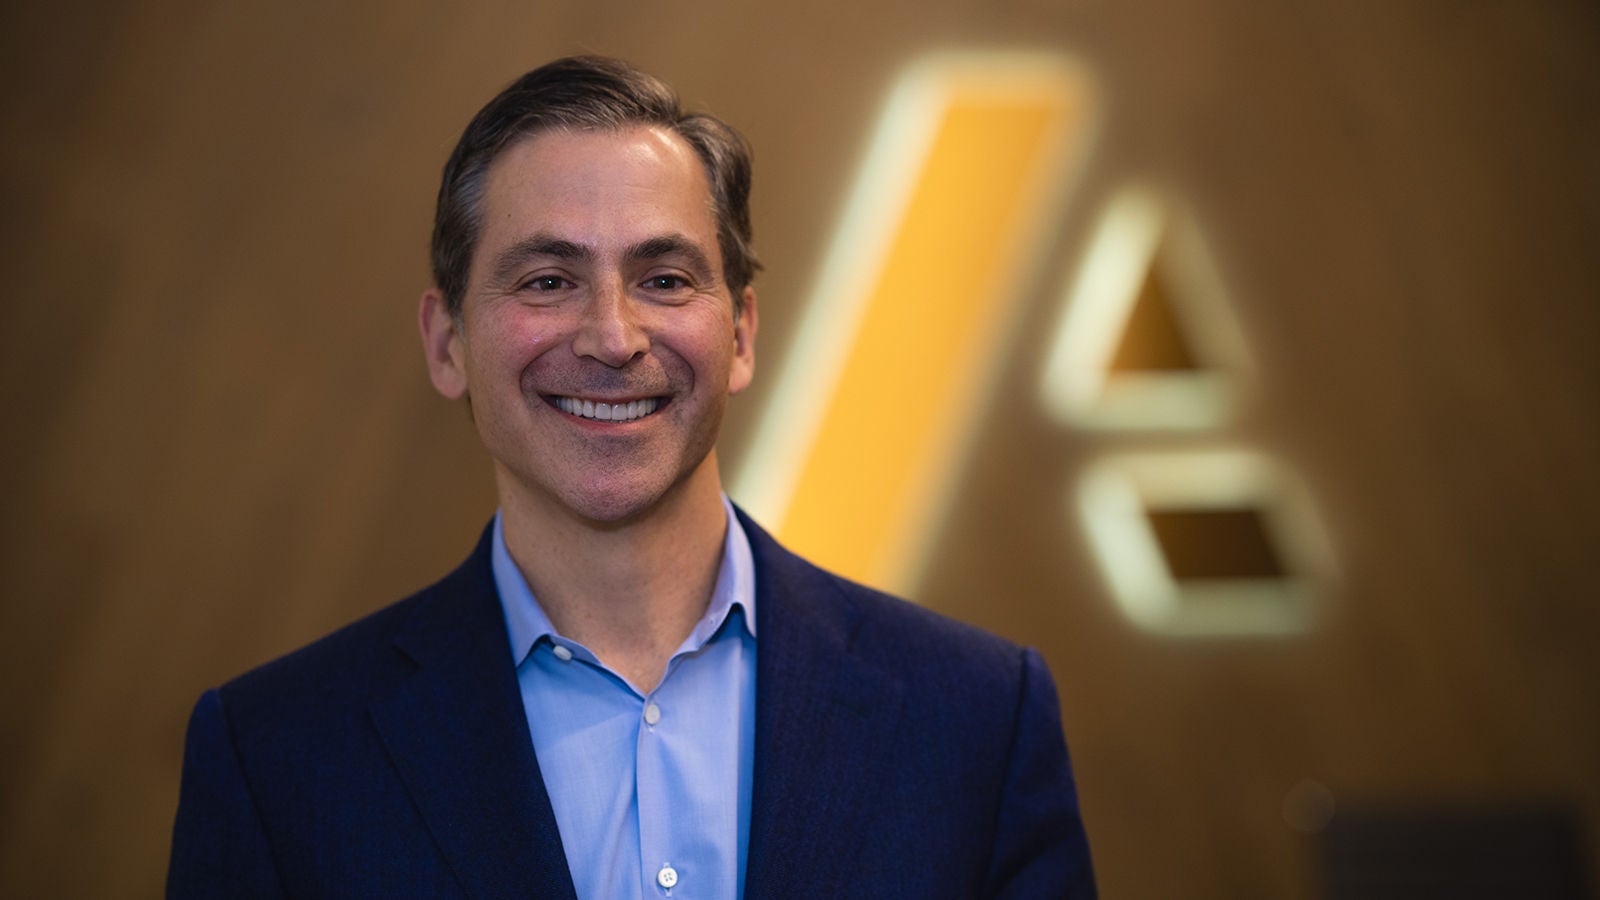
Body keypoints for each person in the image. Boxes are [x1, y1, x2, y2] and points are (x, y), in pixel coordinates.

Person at [167, 55, 1095, 899]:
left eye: (663, 278)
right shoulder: (275, 759)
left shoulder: (977, 717)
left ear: (740, 334)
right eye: (546, 281)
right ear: (447, 343)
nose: (612, 338)